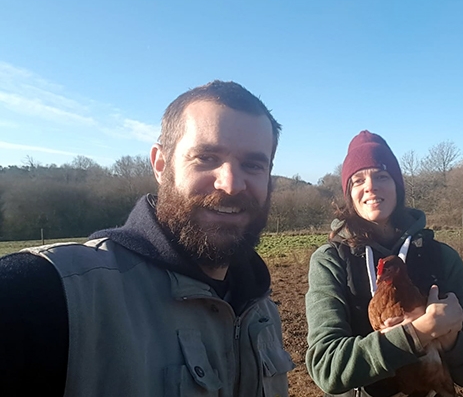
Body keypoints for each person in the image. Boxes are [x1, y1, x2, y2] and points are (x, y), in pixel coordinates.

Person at [0, 80, 294, 397]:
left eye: (253, 164)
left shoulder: (260, 310)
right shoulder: (49, 294)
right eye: (206, 158)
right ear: (161, 164)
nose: (231, 184)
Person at [305, 130, 463, 396]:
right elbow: (327, 370)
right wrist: (418, 333)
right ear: (349, 194)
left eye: (381, 176)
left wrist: (450, 338)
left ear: (398, 186)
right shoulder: (331, 261)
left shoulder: (442, 258)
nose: (370, 186)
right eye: (358, 180)